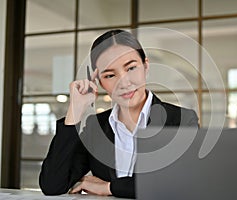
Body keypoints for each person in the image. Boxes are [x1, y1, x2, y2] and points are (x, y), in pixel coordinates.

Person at [39, 29, 199, 198]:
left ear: (145, 67)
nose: (124, 82)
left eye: (131, 68)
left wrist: (109, 188)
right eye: (109, 75)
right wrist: (75, 111)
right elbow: (52, 184)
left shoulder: (181, 120)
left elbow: (179, 184)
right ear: (99, 82)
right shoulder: (97, 126)